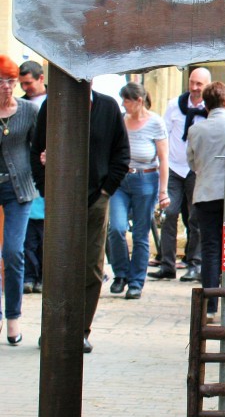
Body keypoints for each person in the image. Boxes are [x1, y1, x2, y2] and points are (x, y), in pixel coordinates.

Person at [32, 86, 130, 353]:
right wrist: (46, 190)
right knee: (56, 266)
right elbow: (37, 149)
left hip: (95, 199)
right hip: (60, 200)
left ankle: (80, 330)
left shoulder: (107, 107)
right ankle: (53, 328)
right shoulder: (52, 106)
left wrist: (106, 190)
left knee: (90, 266)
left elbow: (121, 153)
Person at [106, 82, 168, 299]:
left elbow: (163, 157)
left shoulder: (155, 123)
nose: (124, 104)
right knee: (116, 227)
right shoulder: (121, 121)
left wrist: (163, 191)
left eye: (127, 100)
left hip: (146, 179)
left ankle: (136, 281)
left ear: (139, 101)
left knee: (141, 233)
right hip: (122, 179)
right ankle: (120, 273)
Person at [152, 67, 211, 282]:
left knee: (195, 218)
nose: (195, 88)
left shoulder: (210, 109)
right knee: (169, 214)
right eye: (192, 83)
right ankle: (166, 264)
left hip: (197, 169)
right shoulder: (174, 106)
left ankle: (194, 263)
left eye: (199, 84)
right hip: (175, 168)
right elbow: (164, 134)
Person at [0, 57, 39, 346]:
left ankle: (13, 317)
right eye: (1, 81)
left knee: (13, 251)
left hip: (19, 191)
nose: (7, 87)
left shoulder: (28, 111)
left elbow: (40, 147)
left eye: (11, 81)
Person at [186, 82, 225, 316]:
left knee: (210, 248)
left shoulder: (196, 129)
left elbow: (191, 162)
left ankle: (211, 305)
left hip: (205, 192)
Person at [18, 61, 46, 296]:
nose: (25, 87)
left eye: (29, 82)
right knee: (28, 234)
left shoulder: (54, 101)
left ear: (40, 78)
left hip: (45, 171)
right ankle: (29, 276)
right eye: (22, 83)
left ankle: (43, 276)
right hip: (25, 173)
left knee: (45, 231)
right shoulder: (20, 105)